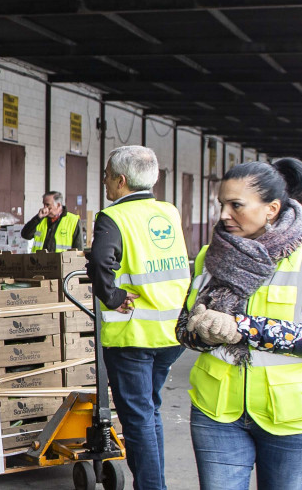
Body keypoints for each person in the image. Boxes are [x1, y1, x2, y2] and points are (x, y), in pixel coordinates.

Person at [179, 158, 302, 490]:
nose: (224, 214)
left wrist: (243, 327)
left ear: (271, 208)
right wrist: (202, 330)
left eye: (236, 205)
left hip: (293, 419)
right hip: (217, 412)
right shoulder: (209, 256)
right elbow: (183, 330)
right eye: (222, 204)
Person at [86, 146, 190, 490]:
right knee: (151, 410)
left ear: (121, 180)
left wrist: (113, 297)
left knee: (137, 419)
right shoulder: (169, 212)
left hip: (134, 335)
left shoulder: (113, 217)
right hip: (173, 331)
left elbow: (100, 263)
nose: (103, 183)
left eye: (105, 176)